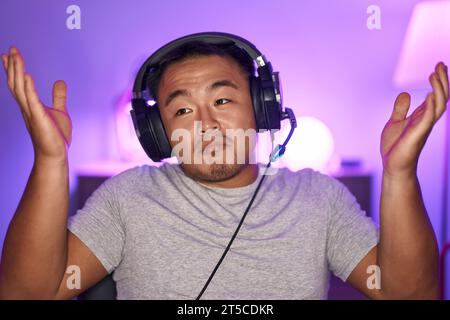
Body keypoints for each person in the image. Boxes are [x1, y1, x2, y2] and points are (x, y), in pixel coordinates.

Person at [0, 34, 448, 299]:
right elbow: (28, 294)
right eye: (182, 111)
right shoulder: (128, 197)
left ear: (262, 108)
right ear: (159, 134)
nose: (207, 124)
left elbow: (411, 294)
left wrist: (400, 175)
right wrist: (50, 159)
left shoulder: (319, 198)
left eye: (221, 100)